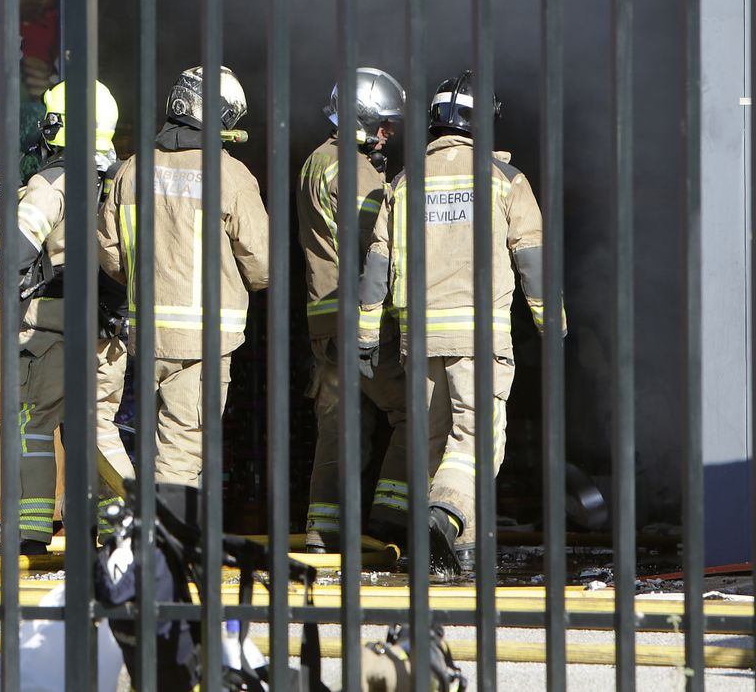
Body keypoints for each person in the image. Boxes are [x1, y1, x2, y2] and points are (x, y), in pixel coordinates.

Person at [357, 71, 560, 575]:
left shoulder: (404, 184)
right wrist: (549, 324)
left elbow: (378, 262)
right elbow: (531, 256)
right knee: (476, 439)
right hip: (478, 335)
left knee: (433, 441)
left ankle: (457, 548)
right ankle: (446, 516)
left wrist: (364, 334)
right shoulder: (504, 180)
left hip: (418, 338)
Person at [96, 66, 270, 486]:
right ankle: (166, 548)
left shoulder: (130, 171)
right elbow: (262, 264)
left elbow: (110, 254)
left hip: (146, 337)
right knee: (181, 451)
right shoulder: (229, 174)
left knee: (150, 440)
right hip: (202, 344)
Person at [9, 79, 133, 552]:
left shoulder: (51, 181)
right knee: (99, 430)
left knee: (34, 428)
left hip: (50, 328)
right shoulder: (125, 182)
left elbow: (12, 256)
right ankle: (121, 534)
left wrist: (11, 209)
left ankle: (31, 534)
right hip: (109, 330)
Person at [297, 67, 411, 550]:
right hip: (363, 318)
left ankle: (323, 529)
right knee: (414, 411)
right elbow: (380, 246)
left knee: (339, 426)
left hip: (323, 317)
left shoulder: (315, 161)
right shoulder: (355, 169)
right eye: (383, 123)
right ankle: (391, 515)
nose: (389, 133)